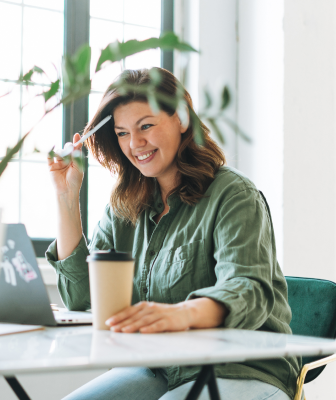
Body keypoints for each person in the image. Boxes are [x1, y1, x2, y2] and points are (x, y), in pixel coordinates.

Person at [45, 67, 300, 400]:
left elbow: (249, 291)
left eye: (146, 126)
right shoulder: (125, 204)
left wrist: (180, 313)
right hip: (158, 366)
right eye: (122, 133)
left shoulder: (234, 195)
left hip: (241, 367)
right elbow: (83, 297)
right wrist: (67, 197)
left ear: (181, 119)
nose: (135, 144)